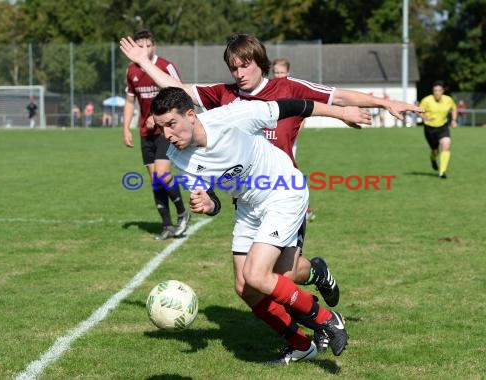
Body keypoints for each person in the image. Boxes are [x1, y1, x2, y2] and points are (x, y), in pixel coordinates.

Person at [120, 32, 421, 328]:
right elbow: (176, 90)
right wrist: (144, 63)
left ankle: (316, 284)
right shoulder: (224, 97)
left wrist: (384, 105)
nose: (239, 73)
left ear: (260, 62)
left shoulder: (286, 88)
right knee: (254, 282)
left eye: (244, 65)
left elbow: (337, 95)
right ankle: (304, 323)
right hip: (247, 201)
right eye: (233, 68)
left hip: (284, 192)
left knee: (280, 276)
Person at [151, 87, 360, 364]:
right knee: (245, 287)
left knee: (259, 274)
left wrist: (342, 112)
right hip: (249, 207)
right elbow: (214, 203)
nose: (167, 135)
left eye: (171, 124)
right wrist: (207, 204)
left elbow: (291, 106)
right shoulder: (180, 157)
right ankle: (301, 345)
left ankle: (327, 320)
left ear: (191, 115)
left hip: (283, 191)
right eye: (161, 127)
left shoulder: (234, 116)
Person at [123, 29, 189, 240]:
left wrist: (158, 116)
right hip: (145, 132)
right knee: (155, 180)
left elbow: (180, 93)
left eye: (148, 45)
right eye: (140, 46)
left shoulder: (165, 67)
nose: (144, 50)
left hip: (165, 130)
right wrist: (125, 128)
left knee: (162, 174)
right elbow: (130, 101)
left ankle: (182, 212)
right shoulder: (131, 70)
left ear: (154, 45)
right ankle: (167, 225)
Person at [271, 58, 316, 221]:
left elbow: (303, 116)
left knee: (289, 172)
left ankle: (304, 207)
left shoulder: (293, 91)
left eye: (282, 73)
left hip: (287, 140)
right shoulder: (269, 90)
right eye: (276, 73)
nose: (279, 76)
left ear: (288, 73)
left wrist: (292, 135)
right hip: (271, 139)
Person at [419, 80, 457, 179]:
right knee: (435, 151)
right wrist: (424, 117)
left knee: (446, 144)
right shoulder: (427, 100)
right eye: (435, 90)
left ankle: (442, 172)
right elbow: (419, 111)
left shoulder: (448, 100)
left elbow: (454, 108)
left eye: (439, 90)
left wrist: (453, 120)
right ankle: (433, 159)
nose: (437, 93)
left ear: (443, 91)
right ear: (433, 91)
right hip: (430, 129)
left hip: (443, 127)